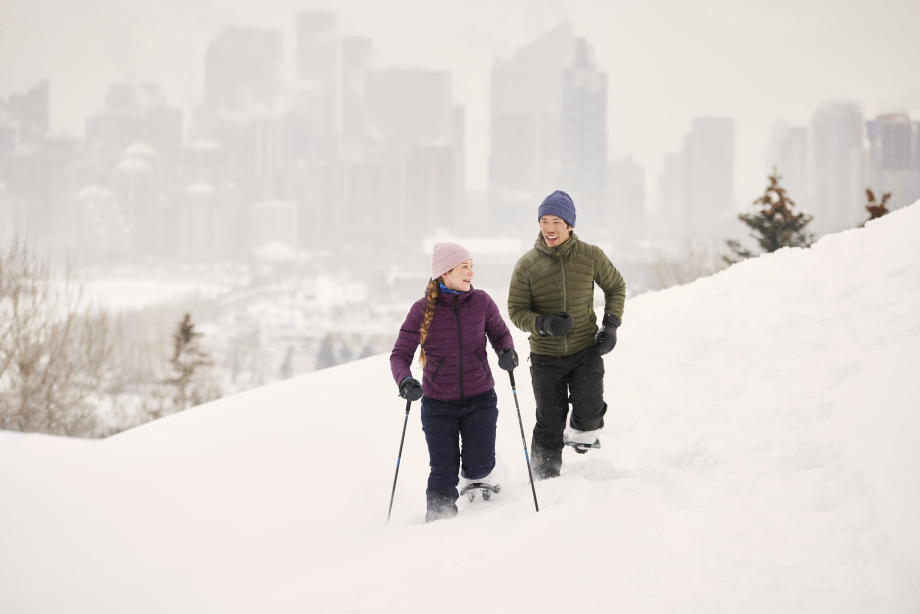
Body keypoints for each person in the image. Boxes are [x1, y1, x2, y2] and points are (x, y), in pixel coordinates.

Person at [390, 242, 519, 522]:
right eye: (464, 267)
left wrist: (506, 351)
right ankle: (438, 523)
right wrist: (405, 381)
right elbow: (400, 354)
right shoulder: (422, 310)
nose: (471, 272)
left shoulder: (482, 301)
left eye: (472, 266)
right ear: (444, 273)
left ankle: (482, 473)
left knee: (479, 465)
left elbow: (500, 334)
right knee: (443, 471)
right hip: (438, 406)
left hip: (480, 398)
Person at [507, 190, 626, 479]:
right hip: (546, 357)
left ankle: (582, 430)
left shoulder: (591, 256)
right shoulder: (527, 264)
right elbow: (516, 310)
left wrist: (610, 325)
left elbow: (616, 286)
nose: (549, 227)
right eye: (544, 220)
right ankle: (544, 478)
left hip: (586, 350)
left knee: (589, 410)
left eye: (557, 221)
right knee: (549, 421)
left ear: (570, 225)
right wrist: (544, 324)